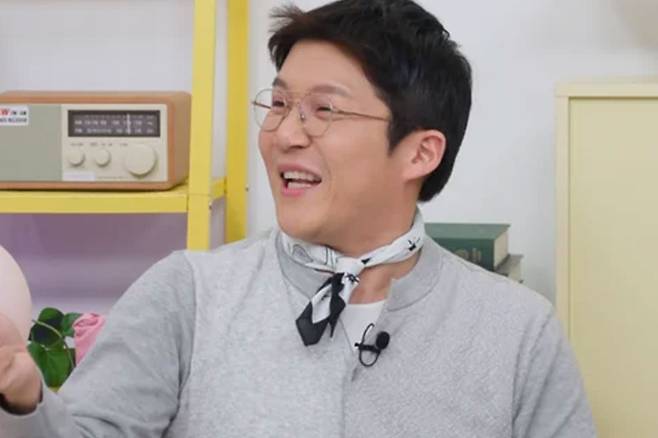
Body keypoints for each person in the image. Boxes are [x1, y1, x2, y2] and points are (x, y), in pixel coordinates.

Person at [0, 0, 596, 436]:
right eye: (280, 103)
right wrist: (24, 398)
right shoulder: (186, 295)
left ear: (420, 153)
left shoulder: (518, 332)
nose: (284, 133)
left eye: (323, 110)